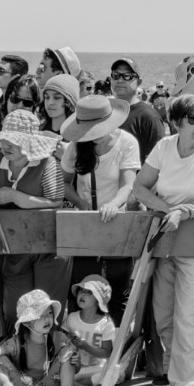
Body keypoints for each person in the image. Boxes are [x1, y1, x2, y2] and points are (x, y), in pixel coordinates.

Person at [132, 94, 194, 386]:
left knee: (187, 315)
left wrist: (183, 214)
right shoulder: (164, 148)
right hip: (163, 242)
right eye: (193, 119)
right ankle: (176, 376)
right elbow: (140, 187)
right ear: (176, 123)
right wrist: (169, 210)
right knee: (164, 314)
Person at [0, 110, 69, 333]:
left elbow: (55, 202)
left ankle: (51, 358)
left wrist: (16, 197)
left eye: (13, 140)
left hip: (50, 249)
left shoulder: (47, 163)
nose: (6, 144)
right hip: (12, 251)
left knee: (48, 309)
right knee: (15, 311)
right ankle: (17, 354)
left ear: (29, 143)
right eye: (4, 138)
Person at [60, 95, 139, 325]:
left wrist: (113, 205)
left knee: (117, 294)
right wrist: (81, 203)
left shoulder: (127, 143)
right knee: (82, 291)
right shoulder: (76, 147)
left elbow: (128, 184)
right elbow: (64, 183)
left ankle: (117, 350)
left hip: (117, 226)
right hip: (85, 228)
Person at [56, 275, 116, 386]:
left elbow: (107, 352)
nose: (82, 294)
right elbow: (60, 338)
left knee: (115, 374)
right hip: (74, 367)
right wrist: (69, 341)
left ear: (98, 300)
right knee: (60, 377)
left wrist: (86, 346)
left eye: (88, 292)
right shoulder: (72, 318)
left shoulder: (105, 323)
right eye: (81, 290)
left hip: (95, 368)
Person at [110, 58, 165, 164]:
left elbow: (158, 163)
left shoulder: (149, 118)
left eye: (127, 76)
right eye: (116, 75)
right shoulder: (103, 112)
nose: (120, 80)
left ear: (139, 82)